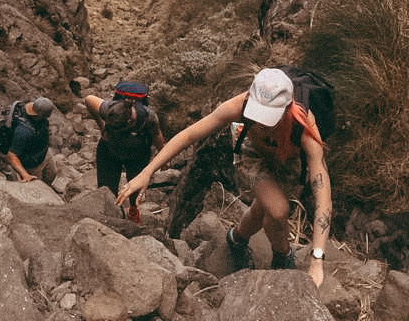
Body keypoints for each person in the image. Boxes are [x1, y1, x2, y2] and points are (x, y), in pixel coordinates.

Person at [117, 68, 331, 287]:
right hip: (252, 152)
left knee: (265, 207)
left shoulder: (304, 125)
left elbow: (323, 195)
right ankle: (282, 258)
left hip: (288, 159)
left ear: (288, 108)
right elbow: (190, 134)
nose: (263, 123)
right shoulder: (240, 105)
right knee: (278, 211)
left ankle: (236, 238)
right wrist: (147, 172)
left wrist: (317, 259)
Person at [85, 89, 165, 223]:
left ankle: (133, 209)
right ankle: (111, 215)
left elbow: (156, 135)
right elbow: (89, 99)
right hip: (109, 150)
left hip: (138, 153)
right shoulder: (107, 108)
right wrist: (101, 125)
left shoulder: (148, 117)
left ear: (129, 121)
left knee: (136, 186)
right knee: (106, 188)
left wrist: (163, 155)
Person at [5, 97, 56, 184]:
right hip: (32, 163)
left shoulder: (31, 105)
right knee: (40, 184)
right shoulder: (23, 131)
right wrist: (25, 174)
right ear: (39, 115)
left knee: (52, 174)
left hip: (43, 153)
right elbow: (12, 155)